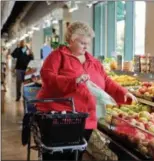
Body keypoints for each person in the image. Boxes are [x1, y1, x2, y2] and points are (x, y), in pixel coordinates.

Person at [36, 21, 137, 160]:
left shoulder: (93, 62)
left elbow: (106, 81)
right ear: (71, 40)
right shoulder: (57, 56)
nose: (86, 46)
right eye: (83, 42)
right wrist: (73, 81)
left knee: (76, 155)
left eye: (88, 43)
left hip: (85, 118)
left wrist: (123, 92)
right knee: (58, 156)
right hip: (60, 118)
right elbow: (47, 77)